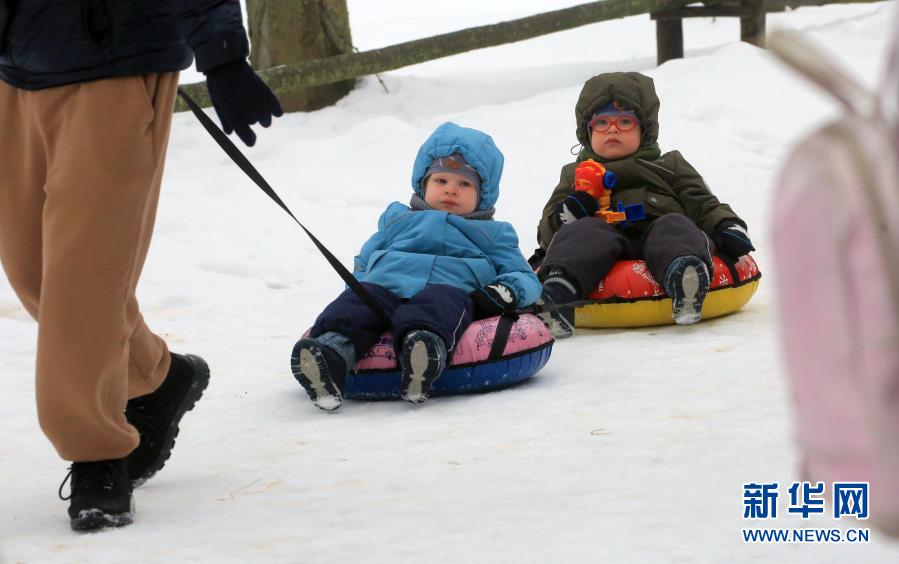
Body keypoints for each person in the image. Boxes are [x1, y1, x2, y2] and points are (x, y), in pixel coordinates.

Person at [0, 0, 282, 531]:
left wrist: (222, 55)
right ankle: (154, 375)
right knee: (33, 269)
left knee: (82, 279)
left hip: (116, 62)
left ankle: (97, 454)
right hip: (16, 66)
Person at [292, 122, 542, 410]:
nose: (451, 191)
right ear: (423, 183)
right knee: (358, 304)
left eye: (464, 184)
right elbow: (364, 260)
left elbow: (525, 276)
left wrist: (506, 291)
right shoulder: (397, 220)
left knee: (440, 303)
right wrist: (356, 287)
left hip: (449, 290)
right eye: (441, 181)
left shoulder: (493, 234)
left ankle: (422, 351)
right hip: (385, 288)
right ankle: (330, 355)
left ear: (483, 193)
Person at [530, 71, 753, 338]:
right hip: (600, 241)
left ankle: (684, 275)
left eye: (625, 121)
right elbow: (548, 235)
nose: (612, 129)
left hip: (658, 233)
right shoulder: (575, 174)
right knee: (582, 232)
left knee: (675, 225)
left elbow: (702, 202)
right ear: (587, 132)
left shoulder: (669, 166)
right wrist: (569, 213)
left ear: (643, 129)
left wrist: (727, 225)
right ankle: (558, 293)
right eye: (601, 123)